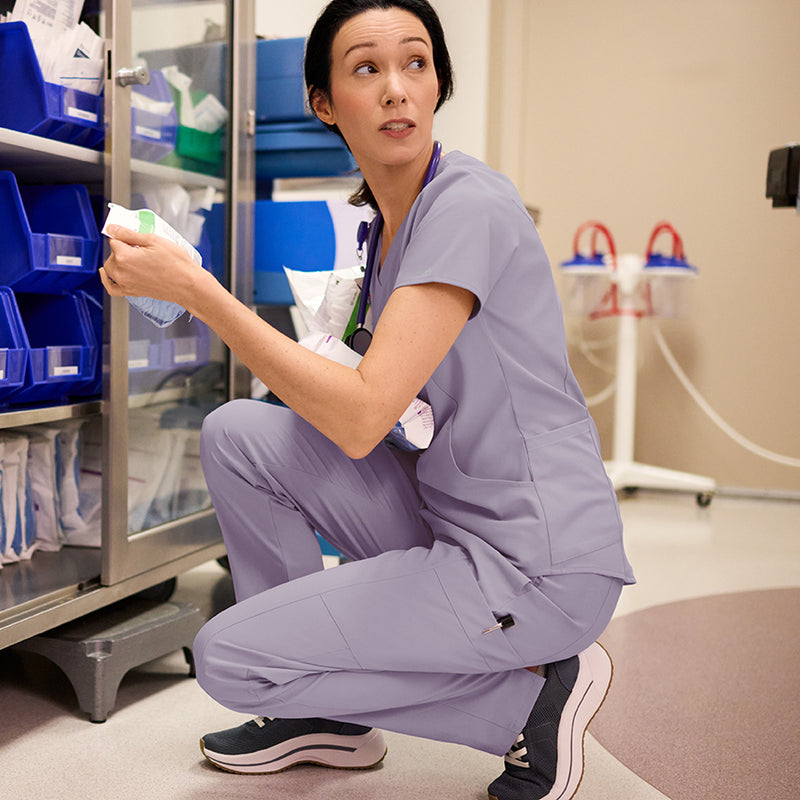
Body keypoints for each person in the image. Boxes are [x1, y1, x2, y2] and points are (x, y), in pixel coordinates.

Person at [100, 1, 635, 797]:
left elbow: (359, 417)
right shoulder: (385, 230)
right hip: (455, 518)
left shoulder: (467, 206)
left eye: (416, 64)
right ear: (324, 104)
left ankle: (529, 710)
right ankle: (327, 719)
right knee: (240, 432)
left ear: (439, 84)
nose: (396, 90)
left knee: (230, 658)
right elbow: (371, 408)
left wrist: (202, 293)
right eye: (366, 69)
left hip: (533, 562)